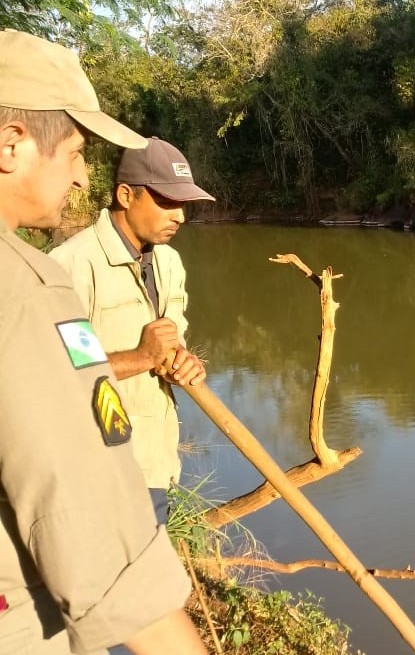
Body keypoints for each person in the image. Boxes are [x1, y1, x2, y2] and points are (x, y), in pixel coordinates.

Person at [0, 29, 207, 655]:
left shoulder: (167, 265)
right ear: (11, 145)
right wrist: (140, 358)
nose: (82, 174)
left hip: (149, 462)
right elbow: (74, 513)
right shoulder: (44, 281)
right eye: (74, 151)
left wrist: (175, 364)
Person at [51, 137, 213, 533]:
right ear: (126, 195)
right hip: (101, 472)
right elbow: (64, 373)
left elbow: (173, 343)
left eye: (183, 205)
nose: (179, 216)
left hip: (157, 461)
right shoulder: (72, 268)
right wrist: (142, 356)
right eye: (166, 202)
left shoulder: (168, 262)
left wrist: (184, 363)